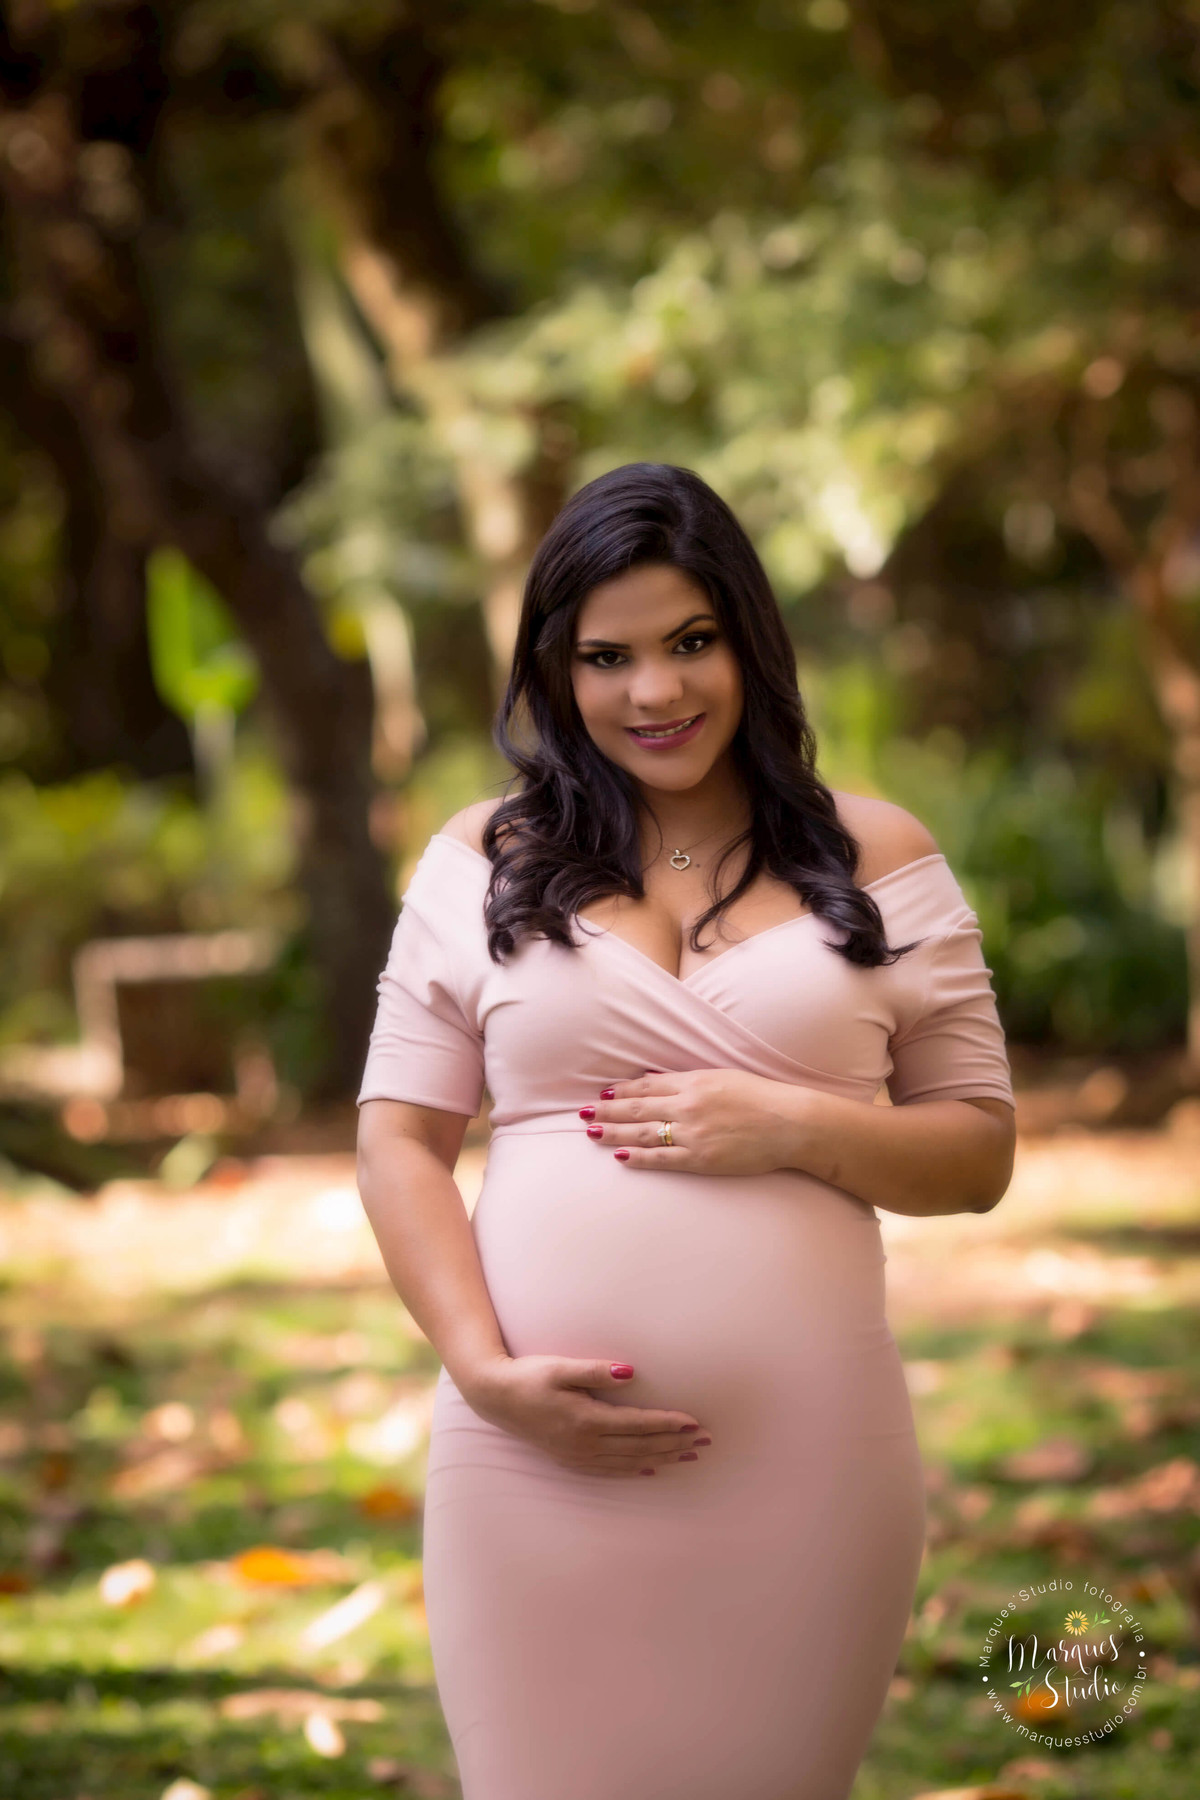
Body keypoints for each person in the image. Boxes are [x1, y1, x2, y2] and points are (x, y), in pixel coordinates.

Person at [356, 462, 1016, 1800]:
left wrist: (793, 1124)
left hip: (805, 1470)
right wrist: (482, 1372)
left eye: (690, 643)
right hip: (527, 1462)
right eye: (609, 657)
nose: (654, 693)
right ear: (557, 672)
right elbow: (399, 1143)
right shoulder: (481, 861)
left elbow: (978, 1151)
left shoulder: (877, 856)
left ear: (749, 644)